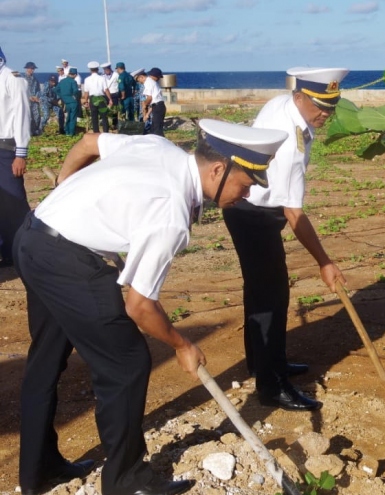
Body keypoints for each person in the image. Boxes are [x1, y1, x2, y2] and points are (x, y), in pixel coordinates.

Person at [13, 119, 288, 495]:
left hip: (33, 235)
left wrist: (62, 190)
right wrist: (182, 344)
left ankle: (38, 471)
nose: (247, 194)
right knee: (126, 363)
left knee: (46, 359)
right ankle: (126, 482)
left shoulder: (159, 147)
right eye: (246, 184)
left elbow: (88, 143)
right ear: (218, 169)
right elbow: (139, 306)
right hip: (67, 262)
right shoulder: (171, 212)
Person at [222, 67, 349, 411]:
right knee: (271, 296)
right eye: (319, 107)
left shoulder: (283, 105)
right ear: (299, 97)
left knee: (263, 291)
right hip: (254, 214)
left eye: (331, 107)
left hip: (247, 207)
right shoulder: (290, 142)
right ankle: (271, 385)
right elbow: (294, 214)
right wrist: (325, 261)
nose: (325, 114)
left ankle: (265, 362)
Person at [0, 46, 31, 269]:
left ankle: (24, 250)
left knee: (14, 203)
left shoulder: (13, 79)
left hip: (6, 149)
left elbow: (22, 115)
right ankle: (5, 251)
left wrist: (21, 153)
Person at [82, 61, 112, 133]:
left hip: (92, 98)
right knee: (104, 116)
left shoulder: (87, 79)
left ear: (90, 70)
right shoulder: (102, 78)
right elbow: (106, 89)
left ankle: (96, 132)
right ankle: (105, 132)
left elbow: (86, 92)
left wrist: (86, 101)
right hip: (101, 98)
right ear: (98, 69)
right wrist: (110, 99)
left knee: (94, 117)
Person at [57, 68, 81, 136]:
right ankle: (71, 132)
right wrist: (73, 95)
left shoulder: (62, 81)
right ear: (75, 75)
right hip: (73, 102)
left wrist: (62, 96)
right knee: (72, 117)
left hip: (66, 102)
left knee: (68, 117)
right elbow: (75, 91)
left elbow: (56, 89)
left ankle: (67, 131)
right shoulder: (73, 82)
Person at [142, 67, 165, 136]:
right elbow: (152, 101)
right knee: (155, 128)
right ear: (155, 76)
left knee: (157, 128)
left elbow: (150, 99)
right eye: (158, 77)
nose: (159, 79)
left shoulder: (151, 83)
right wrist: (147, 114)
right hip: (158, 106)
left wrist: (144, 105)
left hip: (158, 106)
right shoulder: (150, 82)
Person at [23, 62, 41, 136]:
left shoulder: (35, 79)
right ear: (27, 69)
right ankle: (27, 131)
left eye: (33, 69)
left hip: (34, 101)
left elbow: (38, 89)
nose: (32, 70)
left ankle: (34, 131)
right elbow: (22, 90)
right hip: (26, 101)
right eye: (31, 68)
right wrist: (29, 96)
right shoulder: (22, 78)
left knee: (36, 116)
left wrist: (37, 97)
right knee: (27, 117)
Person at [103, 62, 120, 130]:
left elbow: (119, 83)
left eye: (107, 69)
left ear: (110, 69)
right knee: (105, 110)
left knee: (114, 110)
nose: (106, 71)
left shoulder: (116, 75)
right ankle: (106, 124)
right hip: (106, 94)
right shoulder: (102, 76)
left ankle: (114, 124)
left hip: (114, 93)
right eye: (105, 70)